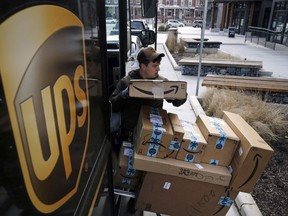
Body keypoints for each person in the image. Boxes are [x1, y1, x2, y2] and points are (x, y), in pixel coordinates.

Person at [109, 47, 187, 143]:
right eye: (154, 66)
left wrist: (179, 95)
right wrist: (125, 94)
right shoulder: (127, 82)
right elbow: (112, 105)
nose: (158, 69)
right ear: (143, 66)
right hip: (130, 135)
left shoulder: (162, 83)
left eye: (158, 65)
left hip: (154, 133)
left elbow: (177, 103)